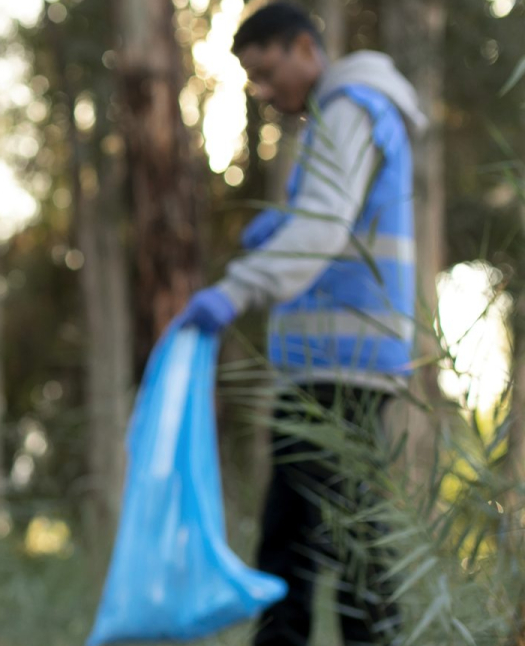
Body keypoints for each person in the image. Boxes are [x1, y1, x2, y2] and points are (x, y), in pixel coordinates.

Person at [171, 4, 426, 644]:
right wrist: (283, 227)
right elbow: (326, 225)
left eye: (265, 71)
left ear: (304, 49)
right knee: (326, 540)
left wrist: (237, 289)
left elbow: (320, 228)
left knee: (315, 548)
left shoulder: (351, 108)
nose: (262, 91)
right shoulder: (340, 117)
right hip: (334, 367)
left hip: (340, 371)